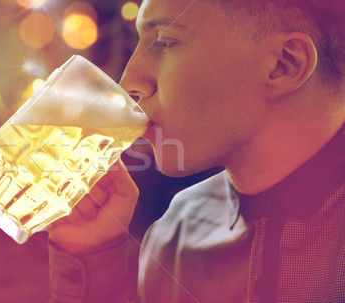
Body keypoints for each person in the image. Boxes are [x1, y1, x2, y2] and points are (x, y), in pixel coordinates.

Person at [47, 0, 345, 302]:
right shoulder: (174, 233)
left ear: (284, 64)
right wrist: (94, 260)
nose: (128, 83)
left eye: (165, 41)